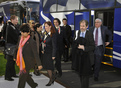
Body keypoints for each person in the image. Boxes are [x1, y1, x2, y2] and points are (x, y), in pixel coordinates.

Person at [14, 24, 42, 88]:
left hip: (28, 62)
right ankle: (33, 85)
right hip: (21, 61)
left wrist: (39, 64)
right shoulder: (20, 38)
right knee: (26, 76)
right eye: (21, 32)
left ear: (28, 32)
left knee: (22, 77)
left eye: (24, 32)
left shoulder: (32, 42)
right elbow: (17, 48)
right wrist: (15, 56)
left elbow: (35, 53)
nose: (22, 34)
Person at [73, 20, 95, 88]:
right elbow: (74, 43)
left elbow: (93, 46)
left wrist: (84, 48)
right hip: (79, 58)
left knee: (85, 76)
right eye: (80, 26)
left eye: (83, 26)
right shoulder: (77, 32)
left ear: (87, 26)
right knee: (80, 74)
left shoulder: (89, 34)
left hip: (87, 58)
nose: (81, 27)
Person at [41, 21, 57, 86]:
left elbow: (54, 46)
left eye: (46, 26)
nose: (45, 27)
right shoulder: (45, 34)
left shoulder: (53, 35)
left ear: (50, 26)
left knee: (49, 67)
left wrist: (53, 55)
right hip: (45, 52)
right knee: (48, 66)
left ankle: (51, 80)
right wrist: (43, 49)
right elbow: (44, 42)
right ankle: (54, 74)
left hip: (50, 53)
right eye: (45, 26)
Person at [5, 15, 20, 81]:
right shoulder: (10, 27)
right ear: (12, 20)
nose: (17, 21)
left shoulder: (12, 26)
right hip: (11, 46)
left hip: (13, 45)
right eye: (16, 20)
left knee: (13, 61)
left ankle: (12, 74)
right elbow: (15, 36)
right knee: (10, 61)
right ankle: (8, 76)